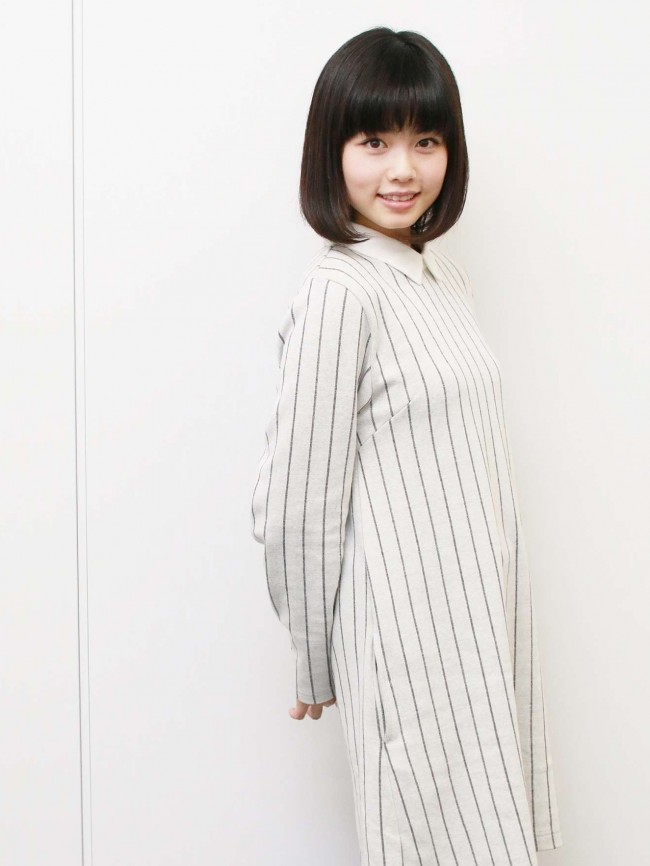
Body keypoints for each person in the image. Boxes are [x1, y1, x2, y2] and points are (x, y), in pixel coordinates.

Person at [250, 26, 563, 866]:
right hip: (410, 641)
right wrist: (314, 655)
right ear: (331, 152)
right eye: (374, 142)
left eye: (426, 141)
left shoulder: (443, 279)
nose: (403, 169)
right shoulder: (340, 293)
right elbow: (296, 501)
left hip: (482, 625)